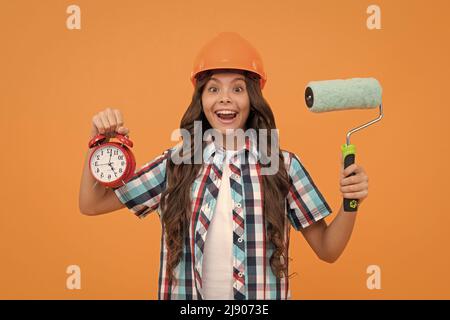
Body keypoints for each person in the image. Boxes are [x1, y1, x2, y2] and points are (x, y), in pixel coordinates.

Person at [78, 32, 369, 300]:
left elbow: (328, 250)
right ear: (201, 100)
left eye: (238, 88)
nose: (225, 98)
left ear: (252, 99)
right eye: (213, 89)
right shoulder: (177, 164)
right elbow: (92, 203)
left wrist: (350, 202)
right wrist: (99, 145)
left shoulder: (282, 166)